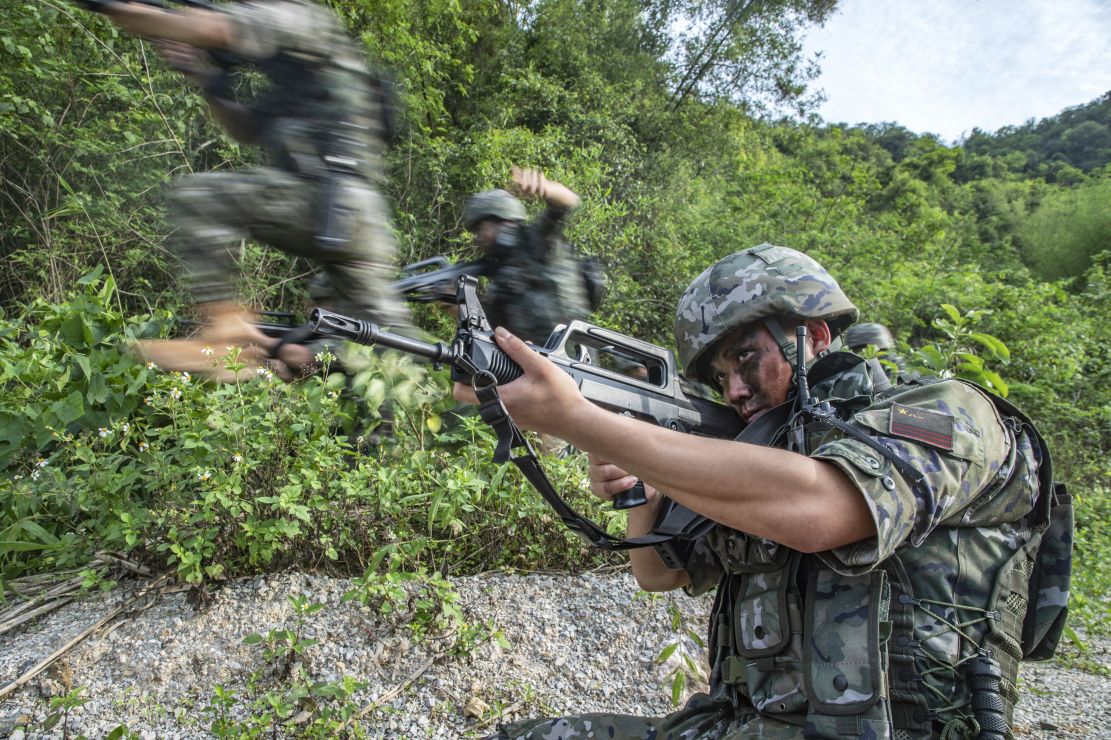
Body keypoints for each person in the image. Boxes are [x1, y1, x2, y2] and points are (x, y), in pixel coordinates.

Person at [456, 244, 1051, 739]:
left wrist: (581, 420)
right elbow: (660, 573)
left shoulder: (942, 412)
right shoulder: (760, 456)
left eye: (748, 359)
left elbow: (822, 508)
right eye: (720, 377)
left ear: (814, 334)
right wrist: (641, 490)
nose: (736, 390)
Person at [76, 0, 414, 377]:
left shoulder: (306, 18)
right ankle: (458, 401)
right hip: (359, 220)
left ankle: (225, 327)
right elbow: (244, 129)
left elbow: (217, 29)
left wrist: (122, 10)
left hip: (335, 202)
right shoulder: (295, 80)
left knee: (199, 196)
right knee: (395, 344)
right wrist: (204, 79)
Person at [463, 167, 593, 345]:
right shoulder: (499, 278)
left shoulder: (538, 239)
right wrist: (454, 305)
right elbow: (487, 335)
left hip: (572, 358)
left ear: (504, 222)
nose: (478, 238)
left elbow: (568, 200)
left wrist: (543, 186)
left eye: (481, 228)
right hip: (536, 363)